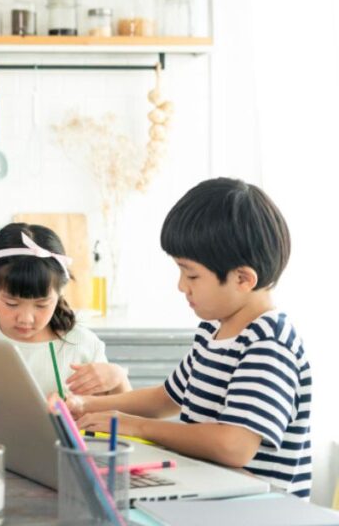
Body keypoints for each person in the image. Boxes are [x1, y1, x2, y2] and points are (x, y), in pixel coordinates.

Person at [66, 178, 312, 499]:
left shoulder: (269, 344)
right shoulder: (213, 331)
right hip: (209, 499)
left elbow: (234, 446)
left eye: (191, 274)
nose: (182, 286)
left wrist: (135, 426)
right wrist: (84, 406)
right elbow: (164, 399)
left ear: (242, 278)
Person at [0, 223, 131, 398]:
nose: (26, 319)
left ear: (60, 293)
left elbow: (123, 416)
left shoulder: (83, 345)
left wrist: (118, 377)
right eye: (11, 303)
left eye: (41, 305)